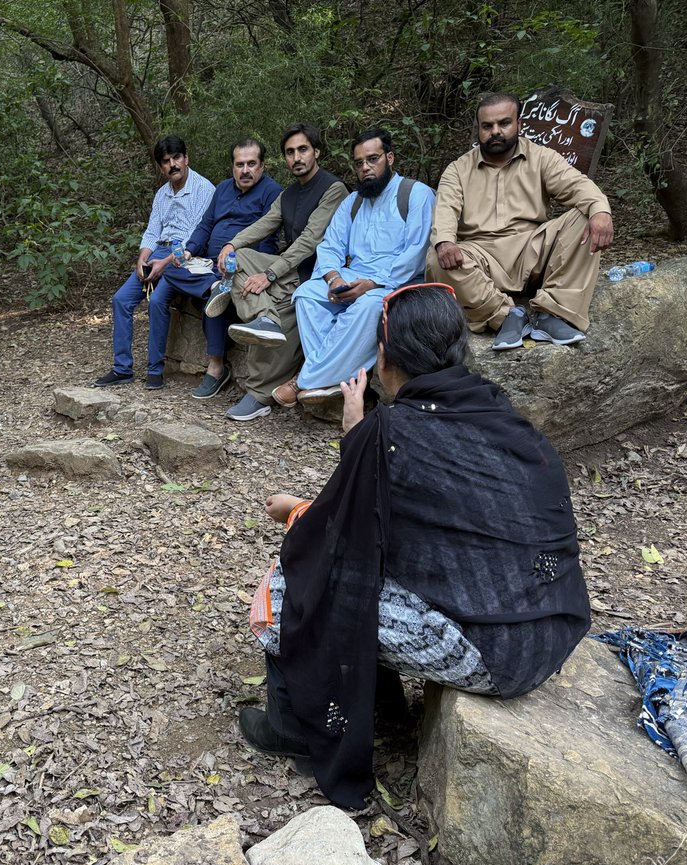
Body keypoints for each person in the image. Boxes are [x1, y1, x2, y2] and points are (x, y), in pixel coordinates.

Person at [239, 283, 590, 809]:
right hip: (556, 628)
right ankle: (383, 706)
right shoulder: (503, 415)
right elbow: (421, 521)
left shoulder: (393, 430)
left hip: (492, 651)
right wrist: (359, 436)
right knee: (361, 565)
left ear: (384, 358)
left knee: (292, 580)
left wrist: (300, 504)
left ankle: (292, 727)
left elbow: (333, 538)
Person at [427, 92, 614, 350]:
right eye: (487, 126)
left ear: (519, 125)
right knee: (438, 257)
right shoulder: (458, 169)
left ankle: (554, 313)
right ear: (479, 129)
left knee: (585, 217)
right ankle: (507, 316)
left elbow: (578, 186)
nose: (495, 132)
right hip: (481, 257)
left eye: (504, 123)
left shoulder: (540, 157)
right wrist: (446, 242)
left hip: (533, 249)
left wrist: (600, 211)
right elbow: (445, 211)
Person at [202, 124, 346, 417]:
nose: (297, 157)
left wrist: (268, 275)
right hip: (290, 268)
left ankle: (259, 393)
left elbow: (310, 240)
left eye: (303, 150)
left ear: (316, 152)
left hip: (317, 274)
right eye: (290, 152)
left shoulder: (334, 189)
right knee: (240, 259)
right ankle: (262, 316)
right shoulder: (289, 193)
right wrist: (231, 244)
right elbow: (265, 223)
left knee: (272, 302)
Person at [288, 128, 434, 402]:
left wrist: (371, 284)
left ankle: (304, 380)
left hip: (395, 284)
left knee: (369, 305)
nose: (365, 168)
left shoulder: (416, 194)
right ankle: (331, 380)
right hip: (351, 279)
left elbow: (416, 253)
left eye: (373, 159)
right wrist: (333, 279)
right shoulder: (352, 202)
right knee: (307, 294)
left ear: (389, 158)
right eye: (359, 163)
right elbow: (330, 246)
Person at [162, 139, 282, 419]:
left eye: (251, 164)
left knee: (219, 290)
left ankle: (216, 367)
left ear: (262, 165)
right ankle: (216, 288)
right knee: (171, 267)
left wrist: (242, 266)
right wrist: (190, 250)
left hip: (241, 265)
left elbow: (268, 240)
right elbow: (205, 225)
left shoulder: (272, 192)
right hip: (211, 268)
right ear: (233, 166)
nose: (245, 170)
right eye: (240, 164)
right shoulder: (223, 188)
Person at [93, 135, 214, 390]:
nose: (173, 165)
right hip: (157, 253)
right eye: (166, 161)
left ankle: (155, 370)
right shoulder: (162, 194)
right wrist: (142, 258)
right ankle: (122, 368)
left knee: (158, 301)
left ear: (186, 157)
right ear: (161, 167)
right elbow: (152, 231)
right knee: (121, 300)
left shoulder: (204, 189)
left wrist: (166, 263)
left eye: (176, 158)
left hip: (183, 258)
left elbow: (197, 235)